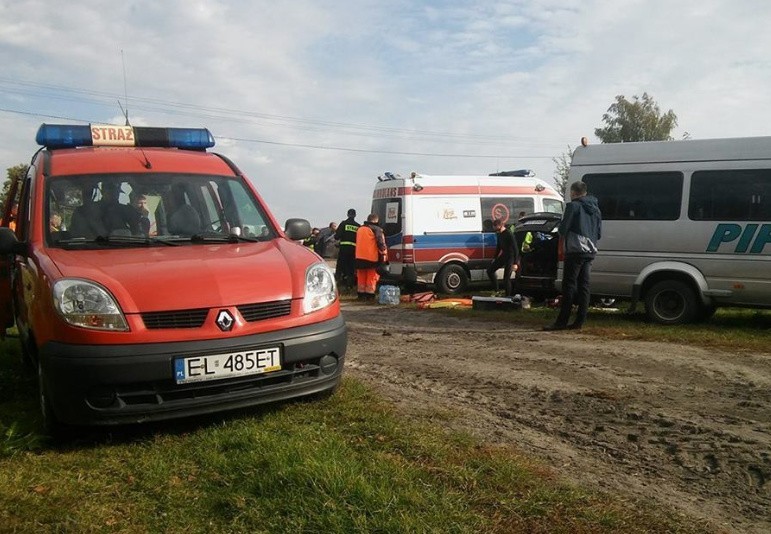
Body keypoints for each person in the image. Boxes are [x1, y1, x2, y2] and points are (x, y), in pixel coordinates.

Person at [543, 181, 602, 331]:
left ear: (573, 192)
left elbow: (563, 229)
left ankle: (561, 322)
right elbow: (599, 233)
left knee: (569, 285)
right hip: (590, 250)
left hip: (575, 250)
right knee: (584, 286)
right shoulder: (596, 209)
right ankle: (580, 321)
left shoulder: (573, 206)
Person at [355, 213, 387, 301]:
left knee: (361, 276)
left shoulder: (360, 229)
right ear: (376, 220)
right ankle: (369, 295)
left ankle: (361, 294)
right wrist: (384, 254)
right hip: (371, 257)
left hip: (359, 257)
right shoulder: (377, 229)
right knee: (371, 277)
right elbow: (380, 243)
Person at [486, 218, 519, 297]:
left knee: (506, 278)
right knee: (490, 271)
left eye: (495, 227)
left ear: (500, 226)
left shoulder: (509, 233)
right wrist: (494, 258)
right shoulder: (499, 234)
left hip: (511, 257)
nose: (494, 229)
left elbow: (516, 249)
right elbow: (498, 247)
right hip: (504, 255)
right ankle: (497, 291)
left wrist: (515, 263)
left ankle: (508, 296)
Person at [334, 208, 360, 290]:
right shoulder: (358, 226)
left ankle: (337, 285)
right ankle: (350, 286)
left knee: (340, 267)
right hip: (353, 250)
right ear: (355, 215)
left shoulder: (343, 224)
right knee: (351, 268)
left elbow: (336, 236)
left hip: (344, 249)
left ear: (347, 214)